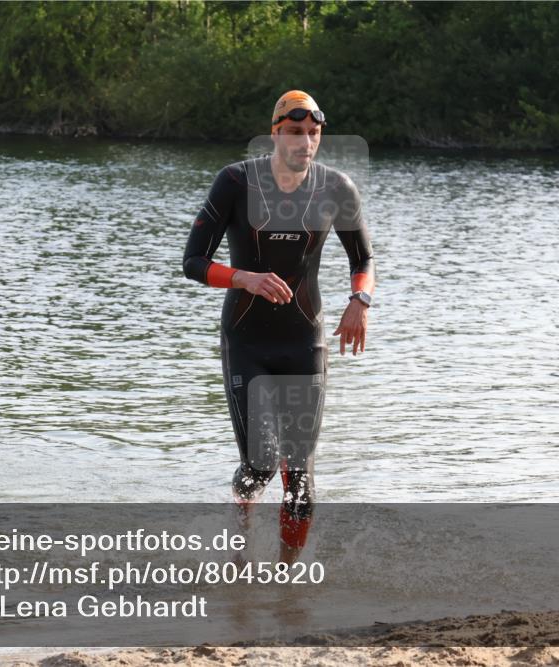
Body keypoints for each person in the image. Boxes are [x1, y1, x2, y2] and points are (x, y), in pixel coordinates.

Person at [183, 90, 375, 562]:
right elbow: (192, 261)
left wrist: (361, 301)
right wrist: (242, 277)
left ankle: (285, 581)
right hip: (246, 341)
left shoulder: (337, 188)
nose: (305, 142)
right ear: (275, 133)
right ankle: (242, 526)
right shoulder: (234, 182)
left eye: (313, 133)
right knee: (260, 465)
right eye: (294, 132)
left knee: (300, 477)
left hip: (303, 342)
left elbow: (363, 257)